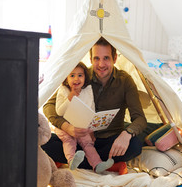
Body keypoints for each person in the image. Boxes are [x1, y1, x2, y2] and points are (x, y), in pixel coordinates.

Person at [43, 37, 147, 173]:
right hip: (78, 138)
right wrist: (67, 128)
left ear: (115, 58)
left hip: (108, 140)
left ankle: (79, 161)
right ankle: (103, 164)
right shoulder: (80, 76)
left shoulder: (125, 81)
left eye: (106, 58)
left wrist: (126, 134)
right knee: (43, 142)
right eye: (96, 58)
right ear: (91, 59)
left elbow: (140, 118)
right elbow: (48, 106)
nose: (101, 64)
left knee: (134, 146)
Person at [54, 61, 114, 172]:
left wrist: (91, 130)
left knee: (88, 143)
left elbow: (91, 109)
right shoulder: (63, 90)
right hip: (66, 126)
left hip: (81, 125)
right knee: (69, 140)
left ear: (85, 77)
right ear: (66, 77)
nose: (76, 79)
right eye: (72, 75)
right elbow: (59, 111)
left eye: (80, 75)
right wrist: (70, 98)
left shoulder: (88, 90)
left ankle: (97, 165)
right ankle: (71, 160)